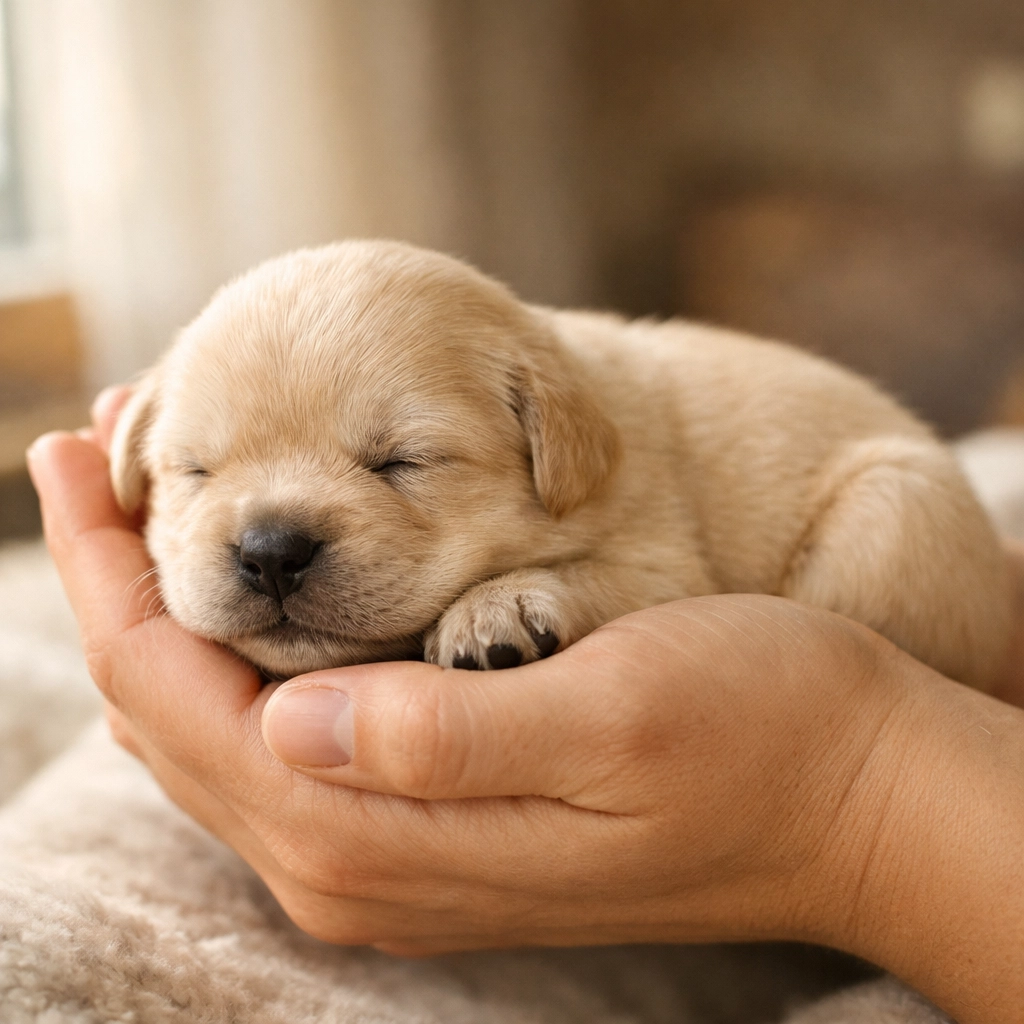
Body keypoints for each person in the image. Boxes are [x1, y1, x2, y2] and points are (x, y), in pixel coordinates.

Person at [26, 387, 1024, 1024]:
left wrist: (854, 796)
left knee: (897, 507)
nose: (269, 540)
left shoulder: (586, 432)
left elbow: (653, 563)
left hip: (865, 542)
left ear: (553, 439)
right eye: (196, 471)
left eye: (399, 462)